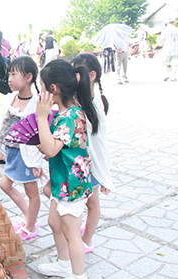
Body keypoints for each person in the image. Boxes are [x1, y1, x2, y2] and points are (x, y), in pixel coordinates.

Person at [35, 59, 98, 279]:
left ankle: (78, 275)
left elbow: (52, 150)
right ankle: (64, 265)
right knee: (54, 221)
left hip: (71, 185)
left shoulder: (69, 117)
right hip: (63, 180)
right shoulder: (69, 113)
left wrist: (42, 117)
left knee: (72, 234)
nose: (39, 92)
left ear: (54, 89)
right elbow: (58, 147)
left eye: (41, 87)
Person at [0, 56, 45, 241]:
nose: (9, 78)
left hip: (27, 156)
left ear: (29, 77)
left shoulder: (35, 104)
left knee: (31, 192)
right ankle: (29, 218)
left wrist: (37, 160)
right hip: (12, 153)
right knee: (5, 185)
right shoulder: (14, 98)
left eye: (14, 74)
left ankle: (30, 226)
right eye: (9, 74)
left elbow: (39, 132)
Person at [71, 53, 115, 254]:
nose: (74, 77)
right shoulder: (80, 99)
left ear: (92, 75)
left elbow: (98, 143)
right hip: (82, 163)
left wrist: (102, 172)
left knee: (92, 203)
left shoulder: (93, 104)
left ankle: (87, 240)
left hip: (92, 164)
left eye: (78, 72)